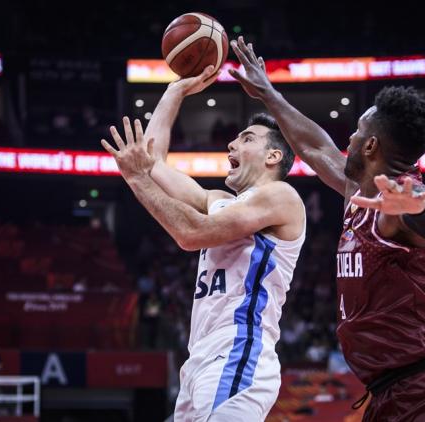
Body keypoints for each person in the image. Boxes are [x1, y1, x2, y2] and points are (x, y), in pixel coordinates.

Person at [229, 36, 425, 421]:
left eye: (357, 133)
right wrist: (268, 94)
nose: (348, 138)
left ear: (370, 146)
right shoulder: (359, 192)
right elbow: (315, 148)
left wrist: (421, 205)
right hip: (389, 392)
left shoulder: (399, 204)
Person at [101, 65, 306, 422]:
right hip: (200, 357)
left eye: (247, 138)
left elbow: (190, 234)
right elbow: (153, 165)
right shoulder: (219, 202)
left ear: (273, 157)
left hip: (238, 349)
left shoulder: (280, 196)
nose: (232, 143)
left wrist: (136, 179)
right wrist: (174, 91)